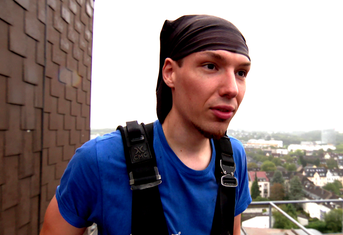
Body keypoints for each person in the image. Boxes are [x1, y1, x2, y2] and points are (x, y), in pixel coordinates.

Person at [40, 14, 252, 235]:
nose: (232, 89)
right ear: (170, 73)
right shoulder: (100, 160)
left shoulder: (232, 157)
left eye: (241, 73)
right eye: (211, 66)